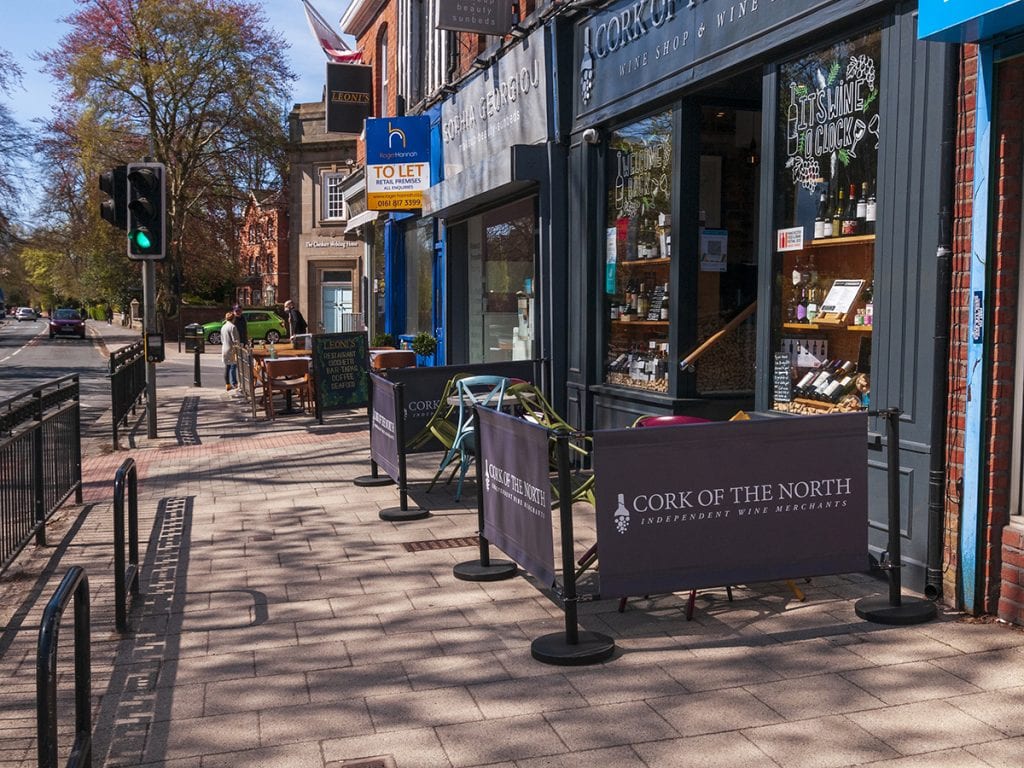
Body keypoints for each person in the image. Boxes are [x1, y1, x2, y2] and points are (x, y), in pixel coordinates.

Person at [221, 311, 240, 392]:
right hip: (231, 349)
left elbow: (222, 339)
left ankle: (227, 384)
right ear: (233, 318)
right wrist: (239, 346)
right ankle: (234, 383)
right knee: (233, 366)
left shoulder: (223, 327)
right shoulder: (233, 327)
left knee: (227, 367)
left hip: (224, 348)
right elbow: (235, 340)